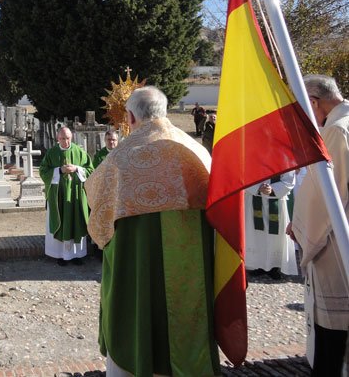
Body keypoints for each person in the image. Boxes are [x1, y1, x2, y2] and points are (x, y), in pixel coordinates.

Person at [85, 86, 220, 376]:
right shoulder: (195, 149)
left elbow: (98, 214)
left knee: (139, 313)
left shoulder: (121, 158)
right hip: (190, 266)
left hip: (137, 262)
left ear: (131, 117)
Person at [291, 74, 349, 376]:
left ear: (315, 102)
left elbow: (327, 194)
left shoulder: (337, 131)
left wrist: (299, 227)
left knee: (333, 331)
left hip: (337, 244)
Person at [38, 126, 93, 265]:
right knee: (61, 221)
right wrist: (59, 171)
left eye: (68, 138)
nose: (66, 141)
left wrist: (77, 169)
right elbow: (43, 172)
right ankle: (60, 255)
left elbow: (90, 170)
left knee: (76, 220)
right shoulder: (52, 153)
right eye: (62, 138)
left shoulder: (79, 151)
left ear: (71, 138)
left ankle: (77, 255)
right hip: (58, 196)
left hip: (75, 195)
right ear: (58, 138)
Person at [245, 171, 298, 280]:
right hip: (254, 199)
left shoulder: (284, 155)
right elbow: (243, 174)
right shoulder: (251, 154)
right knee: (257, 234)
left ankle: (274, 266)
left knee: (275, 236)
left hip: (276, 202)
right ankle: (258, 264)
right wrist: (258, 187)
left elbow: (289, 179)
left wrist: (273, 189)